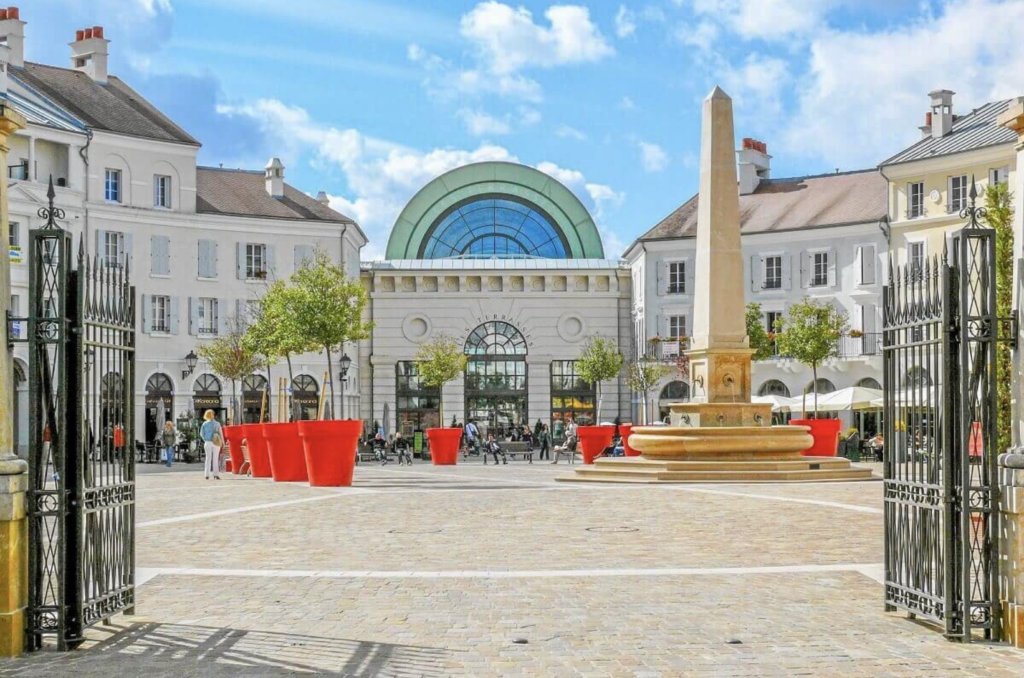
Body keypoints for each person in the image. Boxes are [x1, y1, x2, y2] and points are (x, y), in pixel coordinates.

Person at [199, 410, 223, 480]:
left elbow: (201, 434)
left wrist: (205, 440)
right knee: (215, 459)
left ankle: (206, 475)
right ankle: (216, 474)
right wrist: (223, 443)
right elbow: (221, 434)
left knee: (208, 459)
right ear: (212, 415)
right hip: (216, 442)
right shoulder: (217, 424)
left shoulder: (204, 424)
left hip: (207, 442)